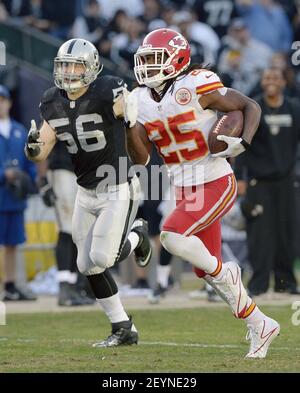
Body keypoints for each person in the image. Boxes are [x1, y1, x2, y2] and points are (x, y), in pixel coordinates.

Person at [124, 28, 280, 358]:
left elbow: (249, 106)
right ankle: (260, 323)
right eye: (145, 60)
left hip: (215, 181)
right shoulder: (138, 99)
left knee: (170, 235)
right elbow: (140, 158)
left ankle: (230, 273)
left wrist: (243, 143)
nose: (148, 66)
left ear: (176, 58)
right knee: (205, 271)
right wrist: (128, 124)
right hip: (183, 188)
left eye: (155, 59)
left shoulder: (195, 83)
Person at [25, 38, 151, 347]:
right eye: (64, 65)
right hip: (85, 189)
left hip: (118, 185)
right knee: (86, 266)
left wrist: (127, 113)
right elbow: (41, 150)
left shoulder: (108, 89)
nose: (68, 72)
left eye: (75, 65)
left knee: (101, 257)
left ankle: (137, 234)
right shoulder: (51, 100)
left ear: (91, 67)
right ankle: (123, 327)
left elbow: (137, 139)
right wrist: (31, 148)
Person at [235, 67, 300, 296]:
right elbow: (242, 146)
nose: (271, 81)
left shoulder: (294, 108)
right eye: (267, 78)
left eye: (275, 77)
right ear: (262, 83)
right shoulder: (254, 110)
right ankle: (258, 284)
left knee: (287, 232)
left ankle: (286, 282)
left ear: (284, 81)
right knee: (259, 234)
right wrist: (239, 177)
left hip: (286, 181)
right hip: (257, 182)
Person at [39, 142, 95, 306]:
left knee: (79, 232)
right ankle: (64, 288)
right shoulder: (56, 115)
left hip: (82, 172)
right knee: (67, 229)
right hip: (62, 170)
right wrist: (43, 181)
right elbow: (40, 144)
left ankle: (73, 286)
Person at [0, 84, 37, 301]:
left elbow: (30, 161)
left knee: (13, 243)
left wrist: (31, 182)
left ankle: (11, 284)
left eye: (3, 100)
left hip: (14, 198)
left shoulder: (19, 131)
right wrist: (5, 175)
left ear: (9, 102)